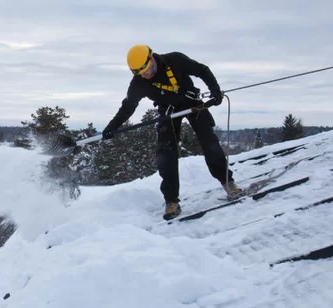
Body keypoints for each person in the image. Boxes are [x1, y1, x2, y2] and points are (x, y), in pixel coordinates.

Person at [101, 44, 243, 220]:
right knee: (165, 153)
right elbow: (128, 107)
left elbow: (202, 70)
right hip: (168, 111)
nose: (148, 74)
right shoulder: (138, 83)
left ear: (153, 58)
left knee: (209, 142)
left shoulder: (175, 60)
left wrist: (215, 91)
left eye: (150, 69)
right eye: (143, 74)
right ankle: (171, 201)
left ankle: (228, 183)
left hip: (191, 103)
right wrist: (112, 127)